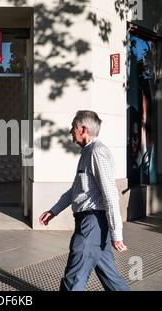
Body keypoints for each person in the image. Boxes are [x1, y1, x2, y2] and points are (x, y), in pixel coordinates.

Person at [39, 110, 130, 291]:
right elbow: (76, 189)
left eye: (73, 127)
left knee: (74, 278)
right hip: (93, 224)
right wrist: (54, 210)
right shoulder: (87, 152)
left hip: (91, 224)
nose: (71, 131)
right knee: (111, 279)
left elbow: (110, 193)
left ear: (83, 129)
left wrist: (116, 233)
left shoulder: (97, 152)